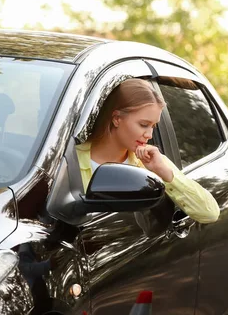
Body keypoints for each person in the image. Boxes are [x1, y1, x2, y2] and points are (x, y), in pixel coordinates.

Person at [75, 78, 219, 224]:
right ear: (117, 118)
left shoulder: (151, 162)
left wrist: (165, 173)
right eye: (144, 125)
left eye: (153, 127)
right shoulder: (69, 161)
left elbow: (210, 213)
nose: (149, 135)